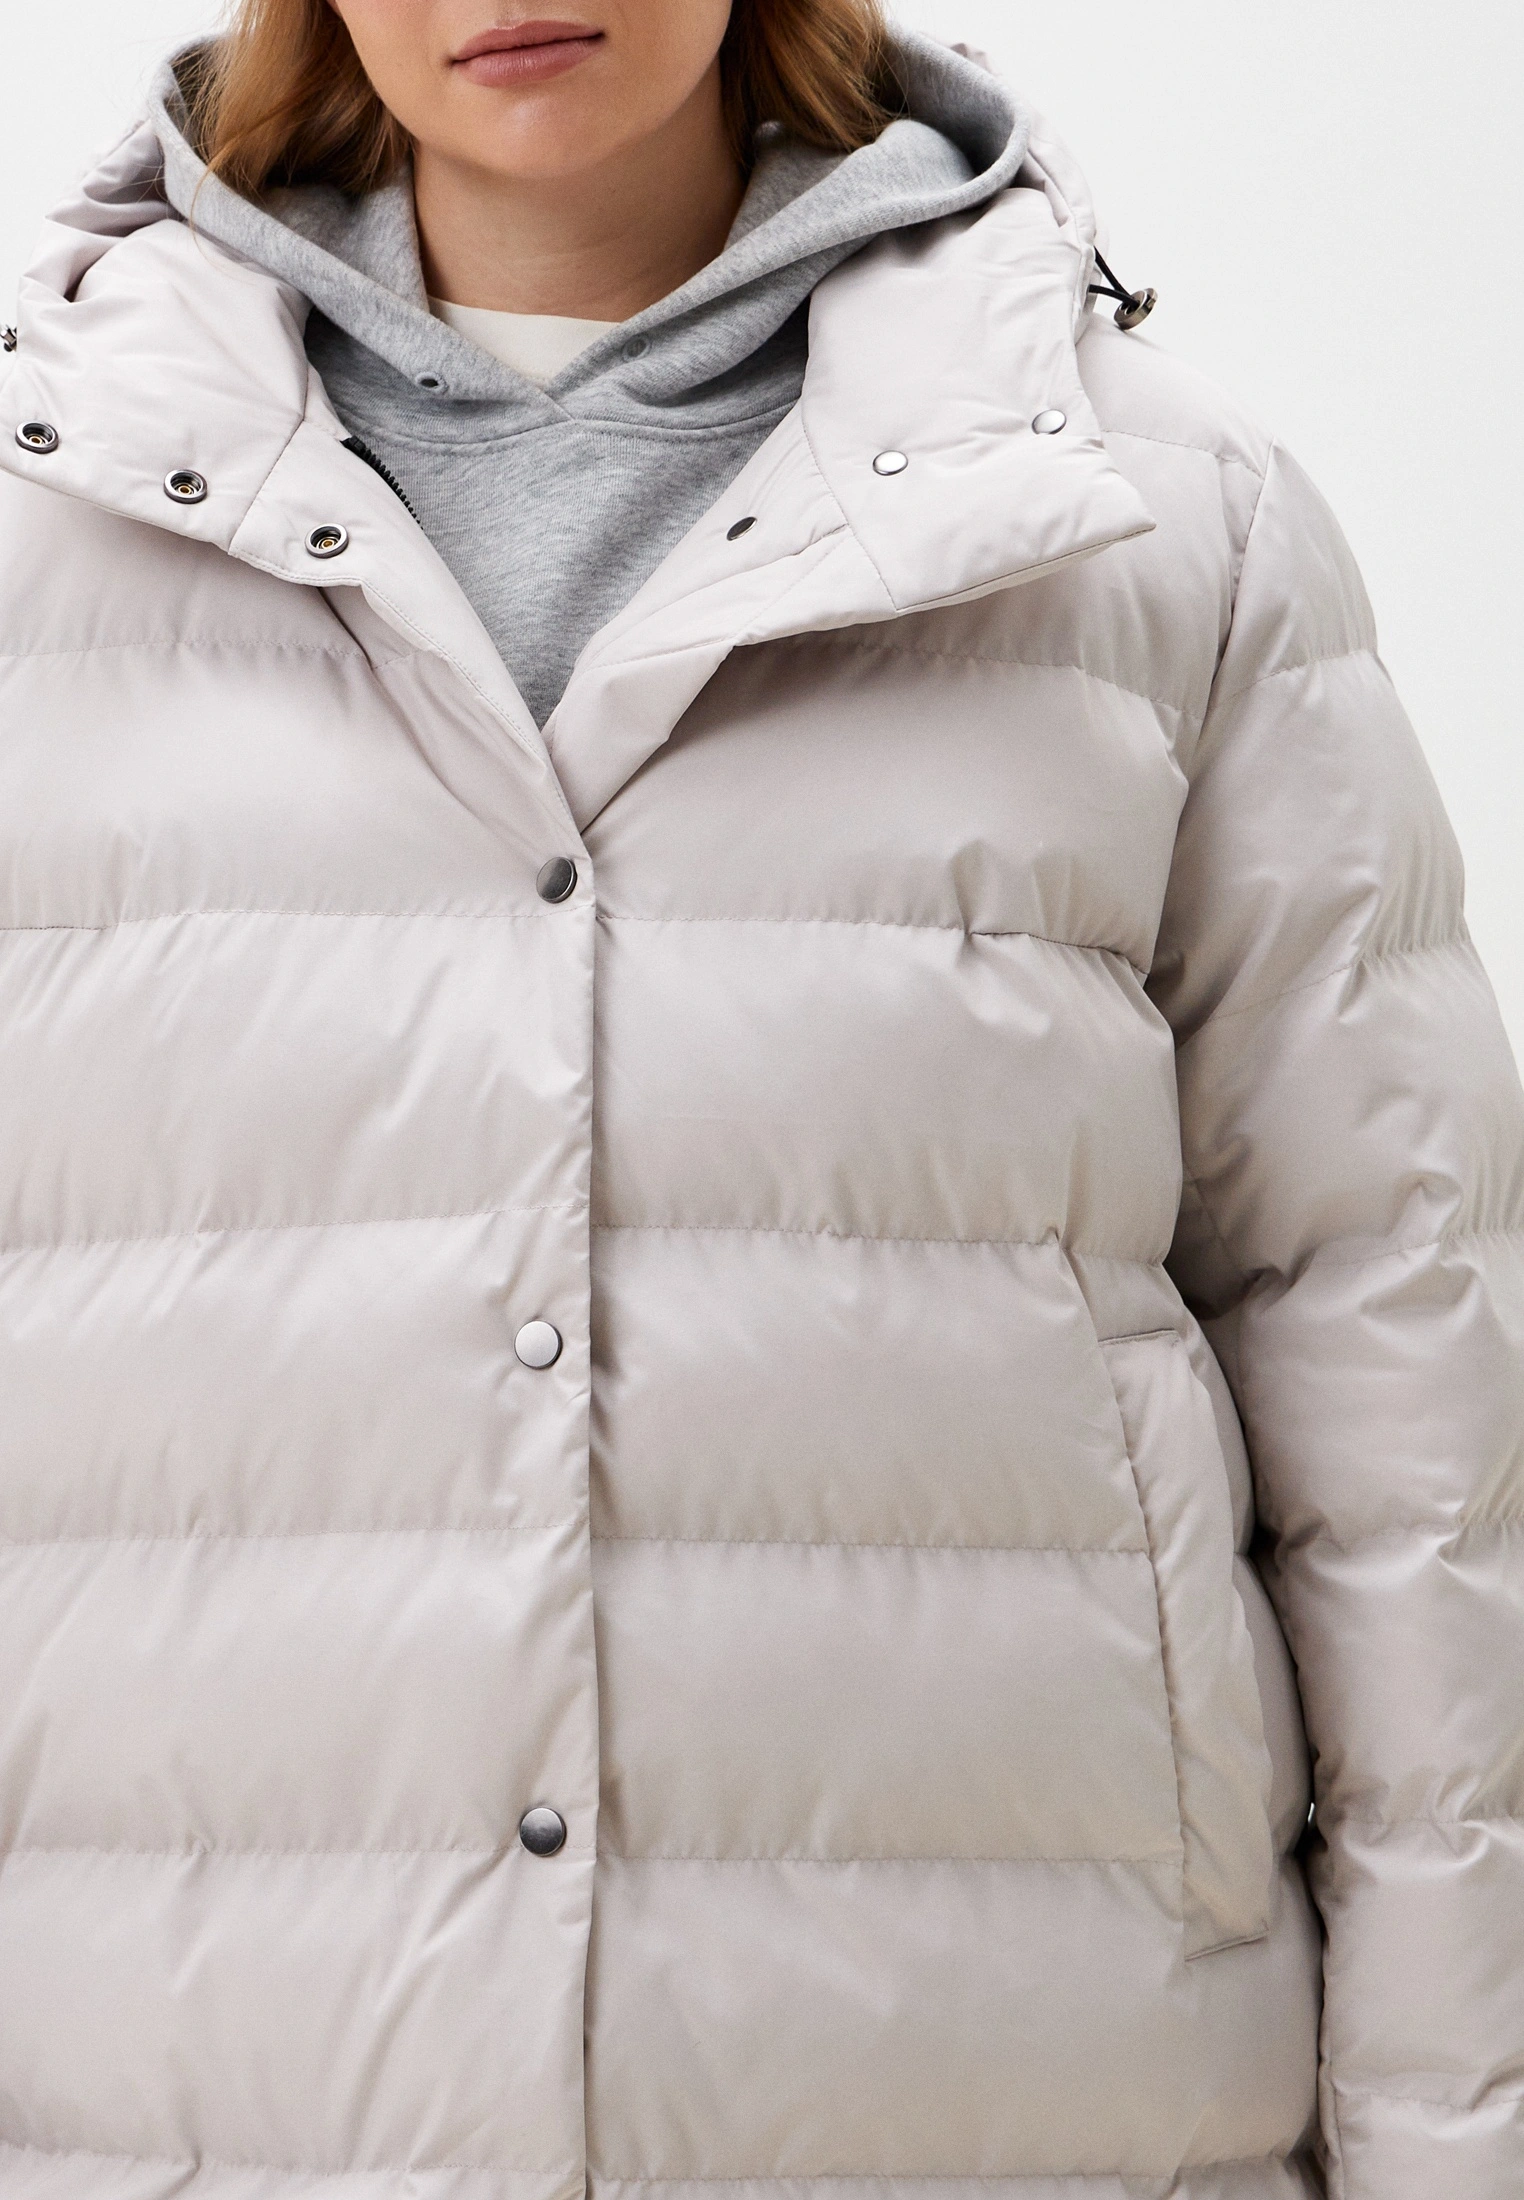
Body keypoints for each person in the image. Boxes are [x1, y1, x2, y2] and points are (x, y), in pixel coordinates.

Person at [0, 2, 1518, 2195]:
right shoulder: (40, 541)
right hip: (180, 2093)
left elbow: (1415, 1417)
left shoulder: (1154, 529)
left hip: (1022, 2099)